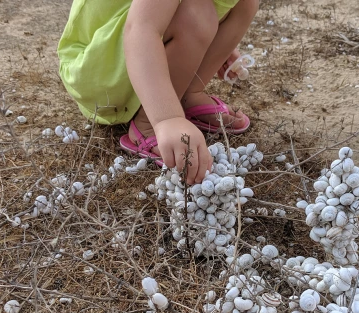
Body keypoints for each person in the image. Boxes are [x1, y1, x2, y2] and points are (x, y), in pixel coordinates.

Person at [57, 0, 259, 185]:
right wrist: (168, 118)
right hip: (97, 67)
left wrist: (219, 41)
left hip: (130, 42)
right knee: (199, 14)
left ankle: (187, 93)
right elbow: (142, 29)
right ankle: (148, 124)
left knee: (244, 3)